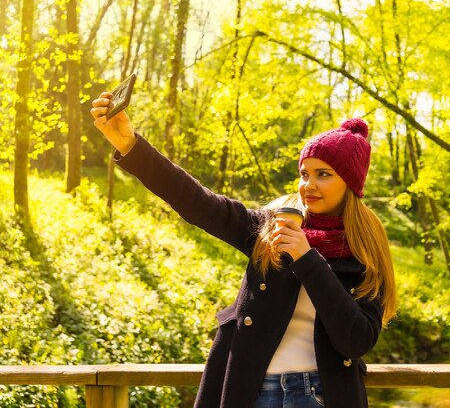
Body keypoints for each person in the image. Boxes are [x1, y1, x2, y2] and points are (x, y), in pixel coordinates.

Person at [91, 92, 397, 408]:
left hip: (322, 396)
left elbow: (357, 340)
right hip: (251, 391)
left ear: (350, 183)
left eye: (324, 174)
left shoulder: (365, 245)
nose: (308, 185)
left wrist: (307, 259)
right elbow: (198, 202)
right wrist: (131, 146)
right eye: (304, 174)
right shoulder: (270, 227)